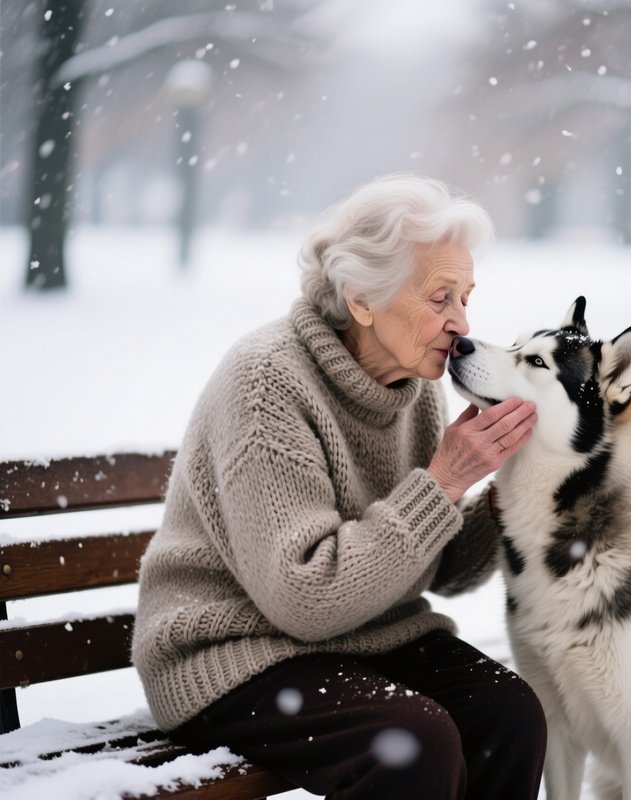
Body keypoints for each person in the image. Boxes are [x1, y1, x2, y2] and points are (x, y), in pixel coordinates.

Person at [132, 173, 546, 799]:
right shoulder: (266, 382)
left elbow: (446, 571)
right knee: (414, 743)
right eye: (440, 298)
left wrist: (500, 490)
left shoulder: (415, 386)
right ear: (361, 298)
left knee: (509, 713)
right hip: (236, 653)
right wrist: (444, 480)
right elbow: (306, 597)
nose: (461, 324)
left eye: (466, 296)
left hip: (361, 638)